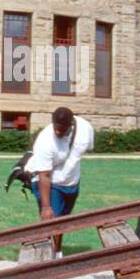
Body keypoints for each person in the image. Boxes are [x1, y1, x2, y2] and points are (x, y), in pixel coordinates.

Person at [28, 106, 95, 258]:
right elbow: (44, 175)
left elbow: (84, 151)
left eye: (62, 129)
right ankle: (53, 260)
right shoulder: (45, 140)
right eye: (56, 128)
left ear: (71, 124)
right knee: (53, 222)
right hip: (51, 184)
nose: (58, 132)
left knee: (63, 222)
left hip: (72, 183)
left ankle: (55, 253)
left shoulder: (85, 128)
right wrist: (46, 207)